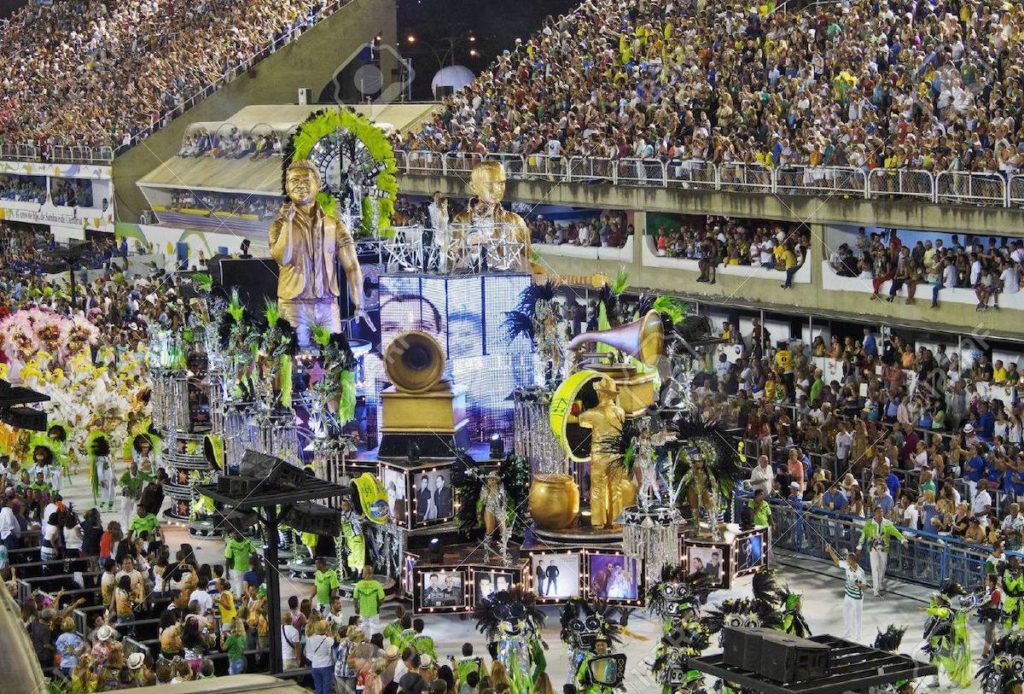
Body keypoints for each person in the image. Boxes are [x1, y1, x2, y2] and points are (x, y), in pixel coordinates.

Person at [856, 506, 908, 597]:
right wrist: (859, 546)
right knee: (874, 568)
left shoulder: (887, 523)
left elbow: (896, 532)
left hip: (884, 548)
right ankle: (875, 589)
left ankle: (880, 583)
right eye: (878, 512)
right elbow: (863, 534)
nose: (880, 514)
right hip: (873, 548)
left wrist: (903, 540)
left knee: (882, 567)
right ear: (874, 514)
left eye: (882, 512)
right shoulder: (869, 523)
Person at [826, 544, 865, 642]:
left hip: (857, 598)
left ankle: (858, 636)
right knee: (846, 613)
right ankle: (848, 632)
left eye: (847, 559)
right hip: (848, 595)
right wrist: (830, 550)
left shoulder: (860, 572)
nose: (846, 560)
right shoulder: (847, 566)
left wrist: (858, 584)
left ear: (852, 560)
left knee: (857, 617)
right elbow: (837, 561)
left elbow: (863, 586)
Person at [353, 564, 386, 634]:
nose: (362, 574)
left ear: (367, 574)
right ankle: (373, 644)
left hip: (362, 611)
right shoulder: (377, 584)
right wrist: (378, 606)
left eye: (363, 573)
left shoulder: (359, 584)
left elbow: (355, 598)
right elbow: (382, 598)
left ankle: (364, 644)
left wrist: (356, 607)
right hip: (374, 612)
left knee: (362, 632)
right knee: (374, 632)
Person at [224, 531, 255, 599]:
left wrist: (255, 566)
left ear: (243, 533)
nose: (237, 535)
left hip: (246, 569)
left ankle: (243, 601)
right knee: (238, 586)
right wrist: (226, 572)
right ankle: (239, 600)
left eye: (239, 532)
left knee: (245, 587)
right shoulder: (231, 544)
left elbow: (254, 553)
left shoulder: (247, 542)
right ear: (233, 534)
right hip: (236, 569)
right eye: (235, 533)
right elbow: (228, 559)